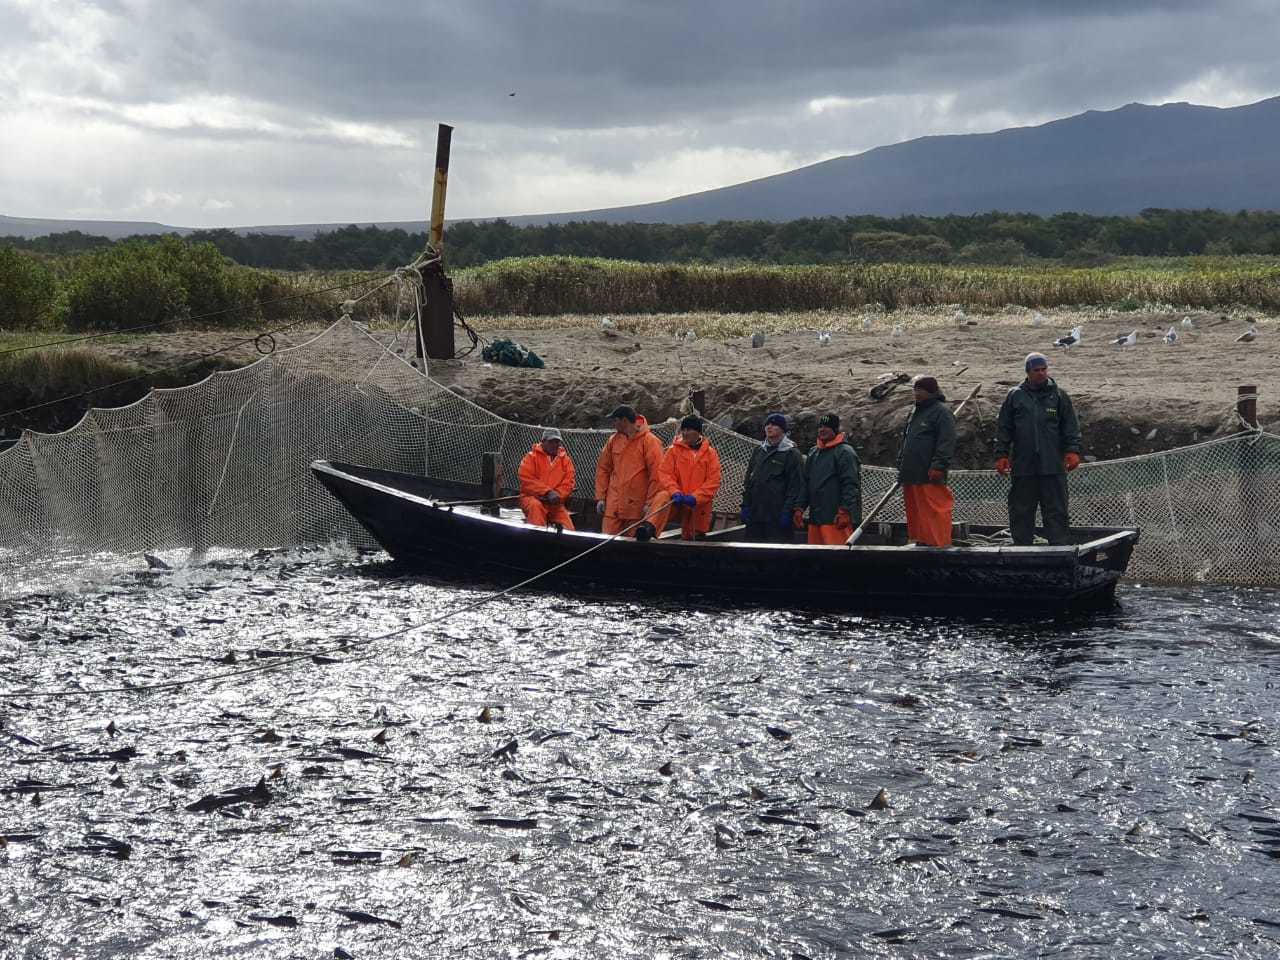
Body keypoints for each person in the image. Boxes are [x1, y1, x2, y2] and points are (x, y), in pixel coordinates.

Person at [994, 352, 1083, 545]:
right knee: (1021, 510)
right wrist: (1001, 454)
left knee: (1056, 510)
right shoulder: (1015, 396)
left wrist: (1072, 451)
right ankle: (1021, 549)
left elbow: (1070, 426)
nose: (1041, 373)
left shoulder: (1059, 396)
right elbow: (1004, 428)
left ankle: (1059, 549)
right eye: (1036, 370)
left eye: (1044, 369)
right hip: (1024, 466)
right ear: (1028, 372)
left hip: (1052, 466)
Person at [896, 376, 956, 547]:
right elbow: (906, 439)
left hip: (929, 475)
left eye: (920, 390)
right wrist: (901, 462)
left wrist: (939, 466)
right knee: (916, 513)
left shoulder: (942, 412)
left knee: (935, 510)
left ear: (931, 392)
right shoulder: (914, 412)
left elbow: (947, 441)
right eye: (915, 389)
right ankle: (920, 542)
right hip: (911, 474)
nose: (916, 393)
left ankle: (939, 544)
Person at [594, 404, 665, 537]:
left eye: (615, 420)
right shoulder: (613, 440)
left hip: (636, 509)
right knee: (606, 545)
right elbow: (603, 469)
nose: (613, 424)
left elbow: (657, 474)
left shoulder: (650, 441)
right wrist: (600, 498)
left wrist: (650, 503)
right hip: (613, 507)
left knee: (633, 548)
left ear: (624, 421)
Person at [654, 415, 723, 540]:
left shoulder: (711, 454)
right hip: (677, 501)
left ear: (698, 432)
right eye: (683, 429)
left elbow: (713, 481)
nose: (685, 433)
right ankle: (650, 528)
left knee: (694, 537)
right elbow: (665, 473)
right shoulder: (673, 451)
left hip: (698, 504)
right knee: (662, 496)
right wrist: (675, 492)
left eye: (688, 430)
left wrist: (695, 498)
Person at [796, 413, 861, 545]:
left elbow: (851, 484)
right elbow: (805, 483)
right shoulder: (813, 453)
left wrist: (845, 511)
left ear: (835, 429)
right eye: (820, 427)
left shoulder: (845, 452)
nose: (822, 430)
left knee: (837, 559)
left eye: (826, 426)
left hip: (836, 519)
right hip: (815, 519)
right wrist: (799, 507)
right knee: (815, 559)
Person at [741, 411, 805, 543]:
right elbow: (749, 481)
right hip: (756, 515)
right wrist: (745, 505)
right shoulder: (758, 452)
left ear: (782, 429)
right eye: (767, 424)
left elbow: (795, 486)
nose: (769, 427)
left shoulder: (791, 454)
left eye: (774, 425)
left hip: (777, 516)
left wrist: (787, 512)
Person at [517, 427, 576, 530]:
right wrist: (547, 492)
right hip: (532, 499)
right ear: (543, 442)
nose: (555, 445)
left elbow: (569, 482)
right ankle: (537, 542)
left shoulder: (566, 461)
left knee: (569, 529)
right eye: (551, 442)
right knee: (536, 508)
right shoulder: (531, 458)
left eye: (557, 442)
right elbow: (526, 479)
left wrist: (558, 495)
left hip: (555, 503)